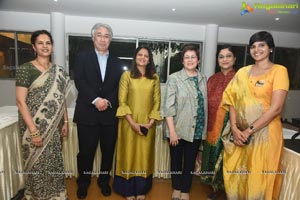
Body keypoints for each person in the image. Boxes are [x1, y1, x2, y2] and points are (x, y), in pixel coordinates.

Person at [221, 31, 289, 199]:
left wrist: (248, 131)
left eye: (261, 45)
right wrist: (235, 129)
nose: (256, 49)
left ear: (271, 48)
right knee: (239, 176)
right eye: (253, 46)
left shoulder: (279, 71)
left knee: (259, 179)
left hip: (265, 135)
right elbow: (231, 100)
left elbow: (276, 108)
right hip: (241, 136)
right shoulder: (242, 72)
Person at [15, 30, 70, 199]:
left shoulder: (58, 71)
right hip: (32, 126)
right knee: (37, 164)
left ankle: (55, 195)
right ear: (34, 47)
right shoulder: (25, 69)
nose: (45, 46)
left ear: (52, 47)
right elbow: (20, 101)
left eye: (48, 43)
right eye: (40, 43)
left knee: (53, 161)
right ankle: (38, 195)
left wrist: (66, 122)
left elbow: (61, 99)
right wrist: (33, 130)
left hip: (54, 126)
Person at [73, 23, 123, 199]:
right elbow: (79, 80)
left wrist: (107, 101)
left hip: (109, 115)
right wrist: (95, 100)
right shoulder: (82, 57)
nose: (103, 39)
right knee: (86, 153)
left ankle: (104, 182)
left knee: (108, 152)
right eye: (100, 35)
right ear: (93, 38)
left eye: (107, 36)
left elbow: (119, 87)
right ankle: (83, 183)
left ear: (110, 39)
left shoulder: (117, 62)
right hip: (87, 113)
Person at [112, 46, 162, 200]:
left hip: (148, 124)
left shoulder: (154, 77)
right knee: (128, 154)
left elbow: (157, 102)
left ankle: (141, 190)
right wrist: (133, 123)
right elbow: (122, 100)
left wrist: (150, 123)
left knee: (144, 156)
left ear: (149, 59)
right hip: (128, 123)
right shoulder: (126, 76)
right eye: (140, 55)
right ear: (135, 57)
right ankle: (127, 190)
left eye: (146, 56)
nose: (142, 58)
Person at [162, 45, 208, 200]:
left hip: (197, 128)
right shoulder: (174, 78)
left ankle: (185, 190)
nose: (190, 60)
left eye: (193, 57)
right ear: (182, 61)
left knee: (189, 162)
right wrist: (172, 131)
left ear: (198, 60)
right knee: (176, 161)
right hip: (177, 128)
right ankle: (176, 187)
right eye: (186, 57)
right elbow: (168, 107)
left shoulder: (203, 78)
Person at [200, 45, 236, 199]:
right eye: (221, 57)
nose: (225, 59)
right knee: (213, 157)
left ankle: (230, 190)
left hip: (231, 126)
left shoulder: (240, 78)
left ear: (234, 59)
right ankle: (215, 188)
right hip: (212, 124)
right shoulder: (212, 79)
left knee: (229, 158)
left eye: (228, 56)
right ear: (217, 60)